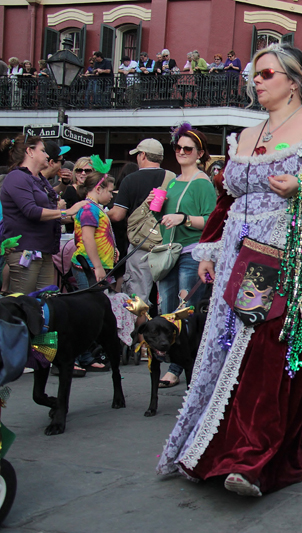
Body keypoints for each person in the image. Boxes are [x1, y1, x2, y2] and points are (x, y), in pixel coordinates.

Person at [156, 44, 302, 497]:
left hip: (284, 258)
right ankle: (212, 449)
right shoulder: (245, 136)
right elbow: (226, 199)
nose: (257, 79)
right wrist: (209, 250)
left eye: (267, 73)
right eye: (254, 73)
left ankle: (252, 460)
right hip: (237, 257)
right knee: (226, 348)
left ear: (294, 80)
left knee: (266, 353)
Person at [150, 124, 215, 388]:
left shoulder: (203, 183)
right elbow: (164, 219)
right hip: (168, 252)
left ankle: (179, 367)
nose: (182, 152)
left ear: (200, 153)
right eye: (178, 147)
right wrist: (154, 207)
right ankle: (177, 362)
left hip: (191, 252)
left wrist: (184, 218)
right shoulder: (173, 182)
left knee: (184, 312)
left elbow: (212, 221)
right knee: (167, 310)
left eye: (188, 148)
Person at [0, 134, 87, 294]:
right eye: (42, 150)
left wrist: (75, 217)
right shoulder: (16, 177)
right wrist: (67, 211)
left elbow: (50, 213)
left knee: (47, 299)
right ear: (29, 152)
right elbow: (31, 211)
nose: (47, 155)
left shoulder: (38, 178)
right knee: (25, 302)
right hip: (26, 250)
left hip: (43, 250)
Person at [108, 139, 171, 313]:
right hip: (166, 245)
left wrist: (100, 212)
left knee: (137, 296)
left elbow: (118, 215)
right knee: (166, 296)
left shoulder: (130, 180)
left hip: (140, 245)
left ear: (142, 155)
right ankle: (164, 326)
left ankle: (137, 327)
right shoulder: (173, 178)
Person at [71, 169, 116, 290]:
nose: (112, 196)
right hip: (88, 267)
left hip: (93, 266)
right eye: (110, 191)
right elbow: (87, 238)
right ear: (98, 189)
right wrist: (98, 267)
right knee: (89, 300)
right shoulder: (89, 209)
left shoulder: (94, 207)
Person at [62, 156, 93, 233]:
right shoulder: (68, 190)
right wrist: (73, 217)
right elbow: (61, 214)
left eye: (87, 171)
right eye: (79, 170)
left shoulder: (96, 190)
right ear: (75, 173)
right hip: (73, 233)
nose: (83, 173)